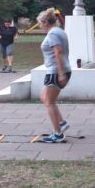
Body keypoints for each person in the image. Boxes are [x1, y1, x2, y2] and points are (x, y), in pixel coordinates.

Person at [37, 8, 71, 143]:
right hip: (57, 71)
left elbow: (58, 52)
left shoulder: (52, 34)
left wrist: (61, 73)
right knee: (43, 96)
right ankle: (61, 122)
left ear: (45, 22)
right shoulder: (59, 31)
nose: (40, 26)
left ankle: (58, 134)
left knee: (49, 102)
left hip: (55, 72)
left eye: (40, 23)